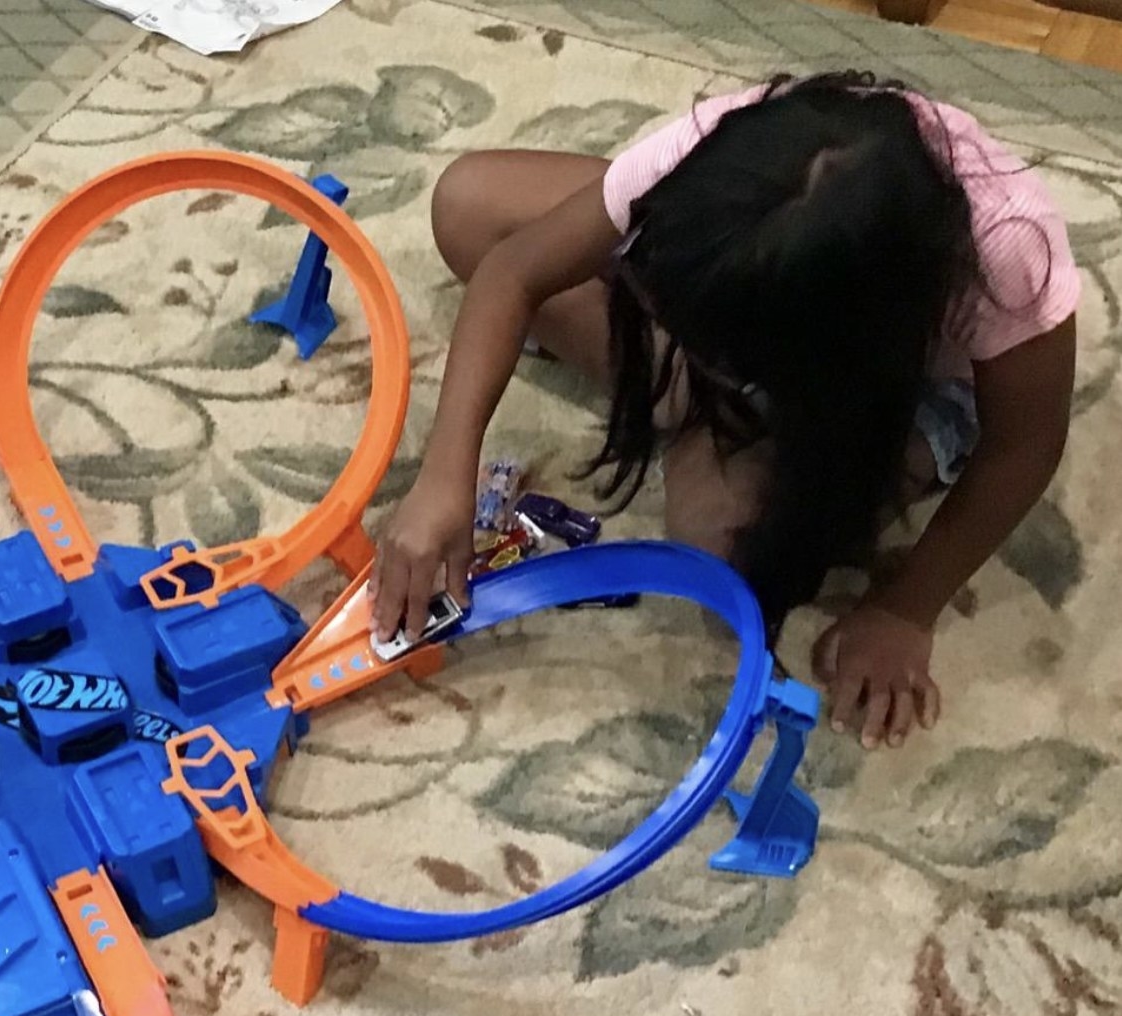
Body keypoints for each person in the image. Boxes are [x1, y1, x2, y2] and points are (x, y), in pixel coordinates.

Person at [370, 71, 1080, 750]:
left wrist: (905, 610)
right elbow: (514, 267)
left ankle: (745, 422)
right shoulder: (715, 152)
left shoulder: (1008, 252)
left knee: (720, 543)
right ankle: (712, 397)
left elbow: (1026, 444)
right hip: (780, 323)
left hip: (901, 394)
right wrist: (445, 472)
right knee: (467, 206)